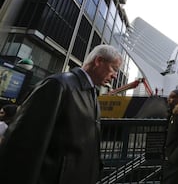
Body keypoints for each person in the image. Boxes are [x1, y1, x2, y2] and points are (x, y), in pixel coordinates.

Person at [0, 44, 122, 184]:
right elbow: (24, 144)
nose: (115, 76)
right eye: (114, 68)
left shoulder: (91, 93)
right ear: (98, 61)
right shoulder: (58, 85)